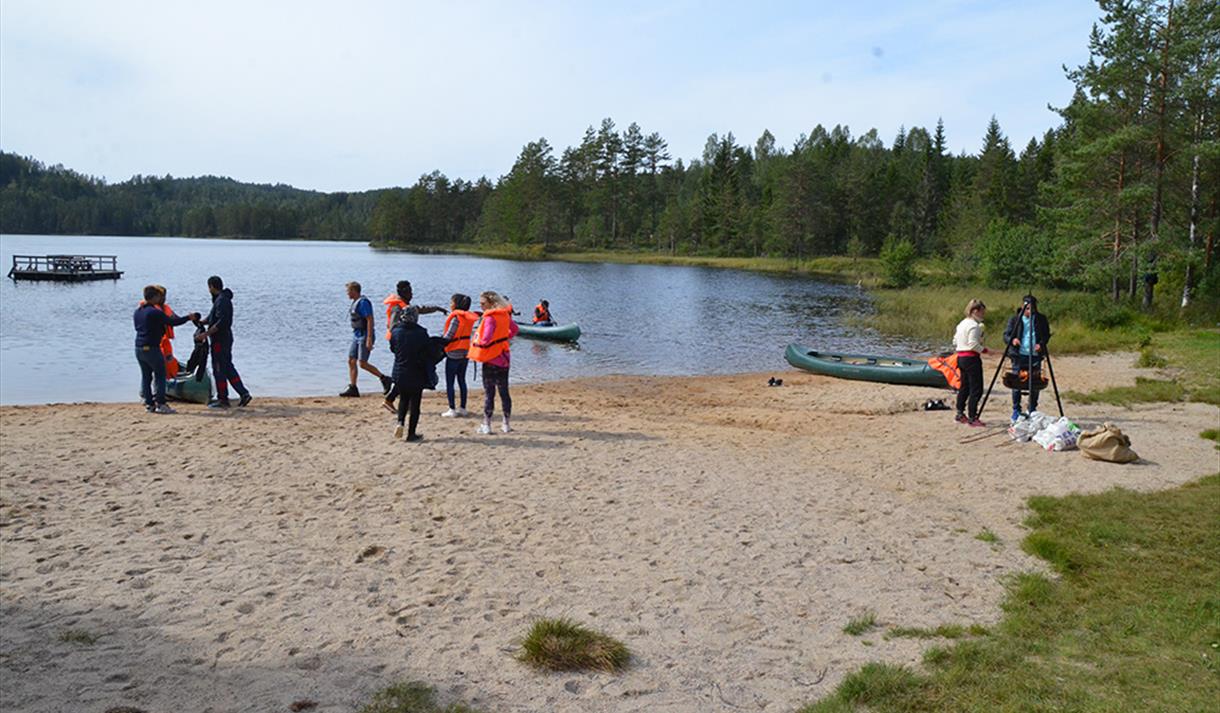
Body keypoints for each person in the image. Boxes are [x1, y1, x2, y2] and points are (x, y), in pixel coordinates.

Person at [381, 280, 446, 410]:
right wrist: (401, 341)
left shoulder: (406, 305)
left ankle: (394, 400)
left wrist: (437, 308)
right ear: (403, 292)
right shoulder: (397, 307)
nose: (412, 294)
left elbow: (420, 309)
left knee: (408, 373)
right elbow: (393, 327)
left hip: (406, 343)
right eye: (410, 291)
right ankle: (391, 400)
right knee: (406, 374)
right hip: (401, 344)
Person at [134, 285, 197, 414]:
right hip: (152, 348)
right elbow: (172, 322)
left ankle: (149, 404)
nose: (160, 298)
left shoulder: (138, 311)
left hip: (139, 348)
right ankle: (161, 404)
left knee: (146, 377)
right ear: (154, 297)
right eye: (158, 296)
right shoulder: (154, 312)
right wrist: (189, 318)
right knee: (160, 375)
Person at [196, 275, 252, 409]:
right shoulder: (219, 300)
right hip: (222, 338)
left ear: (211, 287)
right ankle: (243, 393)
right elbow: (213, 317)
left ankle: (223, 399)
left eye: (209, 287)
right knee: (227, 367)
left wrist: (205, 334)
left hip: (221, 340)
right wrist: (201, 321)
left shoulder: (222, 301)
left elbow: (222, 322)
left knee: (219, 369)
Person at [468, 290, 519, 435]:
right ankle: (506, 425)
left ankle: (487, 425)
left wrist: (475, 337)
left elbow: (485, 339)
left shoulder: (489, 319)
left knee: (489, 393)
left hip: (491, 359)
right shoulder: (504, 315)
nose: (482, 306)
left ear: (491, 303)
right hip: (504, 358)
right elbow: (515, 330)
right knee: (504, 392)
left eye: (483, 304)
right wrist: (504, 337)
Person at [1002, 294, 1052, 422]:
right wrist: (1012, 340)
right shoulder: (1015, 319)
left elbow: (1046, 335)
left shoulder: (1041, 319)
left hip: (1035, 356)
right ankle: (1016, 409)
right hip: (1019, 355)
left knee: (1035, 382)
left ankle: (1032, 408)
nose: (1029, 311)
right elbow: (1006, 335)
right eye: (1027, 308)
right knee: (1016, 382)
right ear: (1023, 307)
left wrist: (1041, 344)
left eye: (1032, 308)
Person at [341, 282, 392, 398]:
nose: (347, 293)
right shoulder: (355, 302)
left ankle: (384, 378)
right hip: (356, 335)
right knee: (351, 360)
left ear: (354, 290)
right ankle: (353, 387)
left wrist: (369, 338)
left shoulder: (363, 302)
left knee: (362, 363)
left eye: (348, 291)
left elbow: (370, 319)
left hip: (364, 335)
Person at [388, 308, 432, 442]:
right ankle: (411, 434)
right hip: (417, 372)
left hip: (400, 371)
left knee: (403, 399)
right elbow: (427, 351)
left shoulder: (395, 331)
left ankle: (400, 422)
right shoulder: (421, 332)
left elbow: (393, 349)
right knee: (415, 404)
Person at [952, 299, 990, 427]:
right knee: (976, 389)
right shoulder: (974, 326)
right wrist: (984, 350)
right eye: (982, 312)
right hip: (971, 358)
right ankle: (973, 417)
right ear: (975, 311)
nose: (983, 315)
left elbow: (955, 341)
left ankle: (960, 413)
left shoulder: (961, 324)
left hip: (961, 357)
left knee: (964, 386)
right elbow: (973, 344)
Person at [440, 293, 477, 417]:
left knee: (450, 382)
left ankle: (452, 409)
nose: (450, 305)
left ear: (456, 305)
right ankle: (463, 408)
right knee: (462, 380)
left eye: (451, 302)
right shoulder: (468, 318)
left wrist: (438, 342)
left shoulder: (456, 318)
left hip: (453, 354)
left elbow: (449, 336)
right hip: (465, 353)